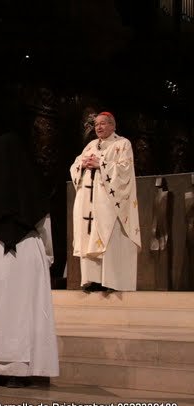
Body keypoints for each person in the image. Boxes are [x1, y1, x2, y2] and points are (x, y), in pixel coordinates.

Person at [0, 131, 59, 388]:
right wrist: (47, 256)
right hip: (27, 250)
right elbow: (44, 224)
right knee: (25, 311)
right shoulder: (32, 184)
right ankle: (21, 371)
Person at [70, 112, 141, 292]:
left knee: (108, 237)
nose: (99, 127)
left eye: (103, 124)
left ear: (113, 126)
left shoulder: (122, 144)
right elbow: (75, 164)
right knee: (88, 237)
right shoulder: (91, 145)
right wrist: (82, 164)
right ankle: (92, 280)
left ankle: (111, 281)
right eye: (96, 125)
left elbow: (125, 169)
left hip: (109, 203)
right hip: (88, 203)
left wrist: (100, 163)